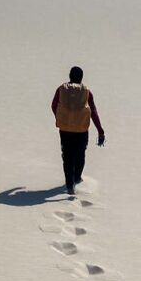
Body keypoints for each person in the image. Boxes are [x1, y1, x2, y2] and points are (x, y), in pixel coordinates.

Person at [51, 66, 105, 196]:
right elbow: (93, 111)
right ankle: (77, 177)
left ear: (69, 76)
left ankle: (69, 185)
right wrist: (100, 130)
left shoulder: (61, 89)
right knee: (80, 154)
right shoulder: (86, 91)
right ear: (81, 77)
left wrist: (62, 118)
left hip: (65, 129)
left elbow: (53, 106)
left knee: (67, 156)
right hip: (81, 129)